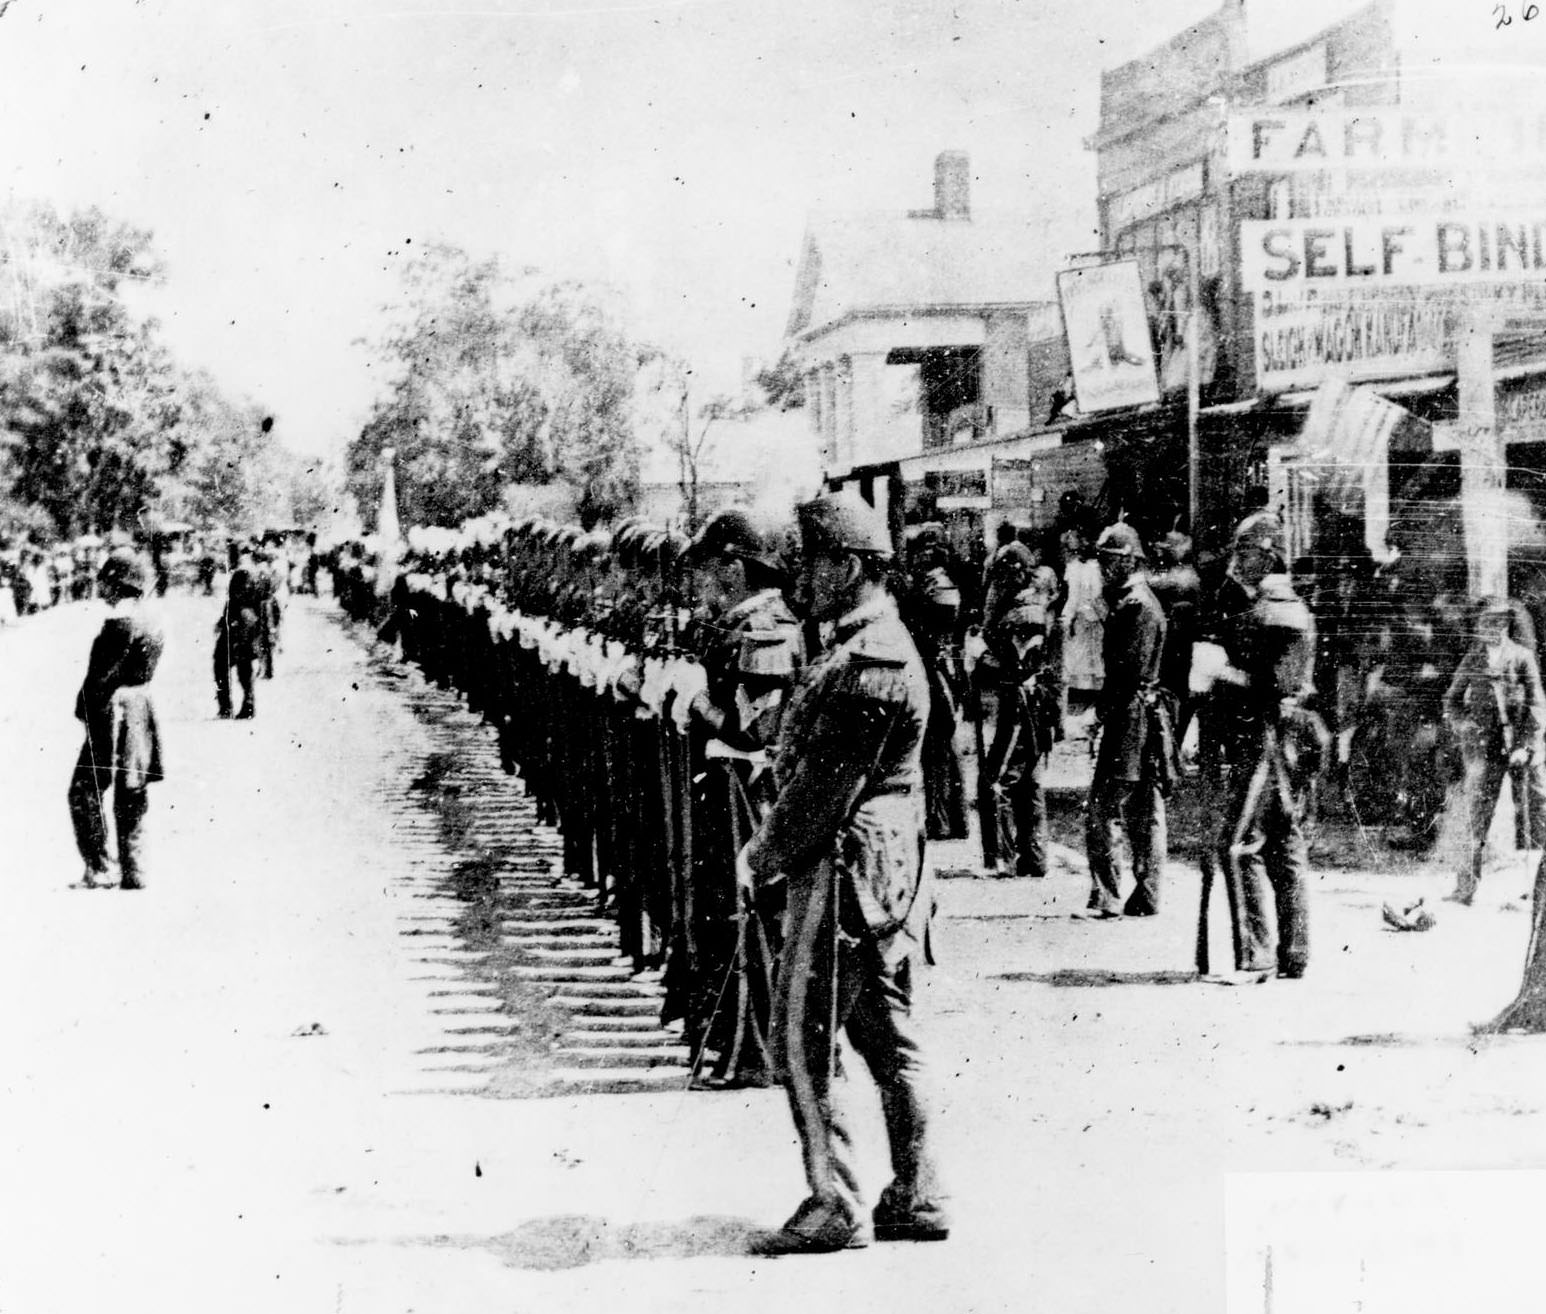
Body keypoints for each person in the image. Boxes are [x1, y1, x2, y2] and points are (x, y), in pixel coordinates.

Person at [740, 494, 947, 1254]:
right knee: (886, 1033)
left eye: (818, 558)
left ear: (853, 566)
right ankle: (919, 1193)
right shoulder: (868, 646)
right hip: (881, 870)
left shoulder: (872, 661)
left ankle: (836, 1203)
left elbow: (824, 790)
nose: (805, 571)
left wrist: (760, 856)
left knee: (799, 1029)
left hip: (845, 869)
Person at [680, 507, 805, 1087]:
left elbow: (757, 729)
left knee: (750, 917)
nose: (702, 582)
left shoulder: (765, 626)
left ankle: (756, 1052)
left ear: (734, 568)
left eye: (708, 569)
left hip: (750, 796)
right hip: (731, 791)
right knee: (732, 912)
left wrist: (694, 705)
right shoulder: (743, 621)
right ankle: (744, 1043)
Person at [1209, 512, 1318, 978]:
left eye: (1246, 552)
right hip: (1289, 743)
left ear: (1267, 555)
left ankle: (1258, 952)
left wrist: (1221, 673)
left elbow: (1266, 684)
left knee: (1241, 847)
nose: (1238, 562)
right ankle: (1295, 954)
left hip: (1265, 742)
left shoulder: (1271, 610)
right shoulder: (1287, 604)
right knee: (1286, 847)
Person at [1084, 523, 1171, 917]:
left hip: (1131, 717)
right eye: (1103, 559)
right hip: (1141, 715)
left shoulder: (1136, 605)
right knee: (1143, 809)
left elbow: (1126, 672)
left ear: (1132, 561)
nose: (1105, 567)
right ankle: (1146, 895)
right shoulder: (1135, 600)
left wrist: (1099, 713)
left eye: (1112, 560)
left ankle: (1108, 895)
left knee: (1104, 808)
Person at [67, 551, 165, 889]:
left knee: (85, 789)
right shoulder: (152, 619)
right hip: (140, 708)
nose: (100, 589)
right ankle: (134, 869)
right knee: (132, 789)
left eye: (104, 582)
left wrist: (84, 709)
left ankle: (99, 867)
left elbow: (99, 680)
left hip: (112, 713)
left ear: (117, 583)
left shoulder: (118, 624)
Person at [1443, 596, 1546, 905]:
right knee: (1476, 817)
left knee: (1539, 811)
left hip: (1521, 747)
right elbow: (1451, 702)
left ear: (1507, 625)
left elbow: (1537, 704)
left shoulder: (1522, 656)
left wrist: (1526, 746)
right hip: (1485, 750)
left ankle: (1540, 889)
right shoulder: (1473, 659)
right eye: (1487, 622)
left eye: (1499, 622)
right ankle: (1465, 889)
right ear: (1478, 627)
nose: (1493, 628)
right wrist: (1464, 727)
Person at [979, 592, 1063, 878]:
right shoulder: (1046, 647)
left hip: (1018, 724)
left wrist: (980, 657)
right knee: (1031, 791)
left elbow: (1005, 673)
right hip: (1038, 729)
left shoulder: (1028, 650)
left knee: (996, 784)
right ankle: (1035, 859)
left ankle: (1002, 859)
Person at [215, 549, 264, 719]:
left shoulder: (240, 574)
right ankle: (248, 705)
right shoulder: (256, 575)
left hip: (237, 627)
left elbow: (234, 600)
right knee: (245, 670)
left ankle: (226, 707)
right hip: (249, 627)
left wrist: (224, 622)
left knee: (221, 666)